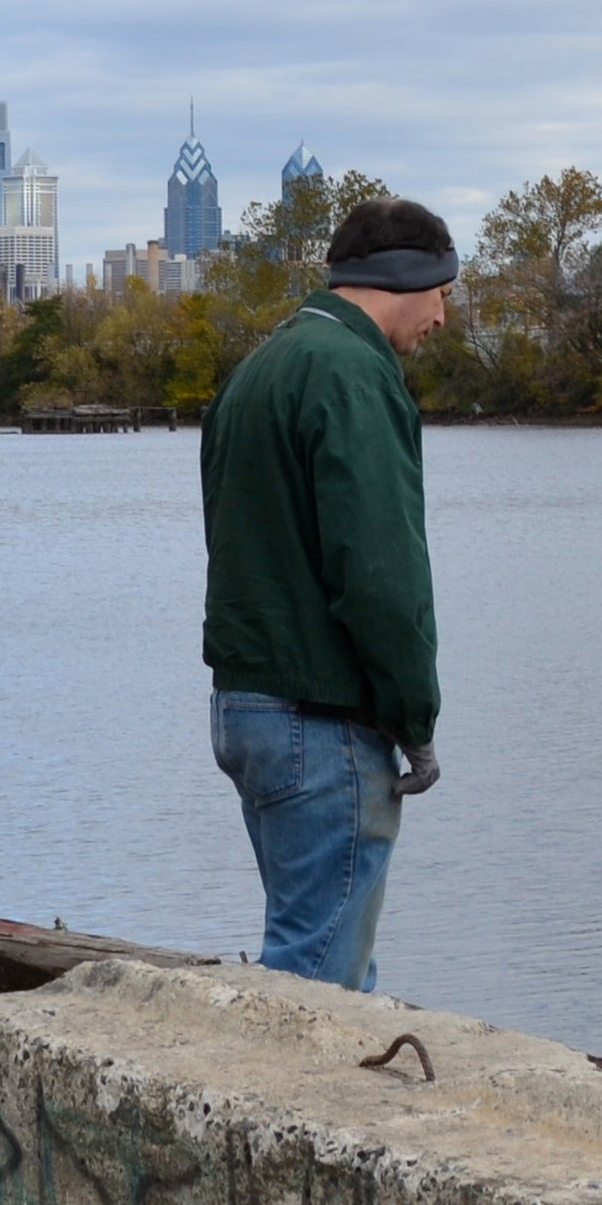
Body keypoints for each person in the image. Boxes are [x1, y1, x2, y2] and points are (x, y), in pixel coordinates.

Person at [197, 193, 456, 989]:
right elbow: (379, 572)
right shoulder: (351, 373)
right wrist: (414, 718)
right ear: (404, 278)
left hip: (249, 705)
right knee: (317, 988)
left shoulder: (265, 364)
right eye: (442, 291)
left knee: (317, 950)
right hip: (320, 719)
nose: (442, 318)